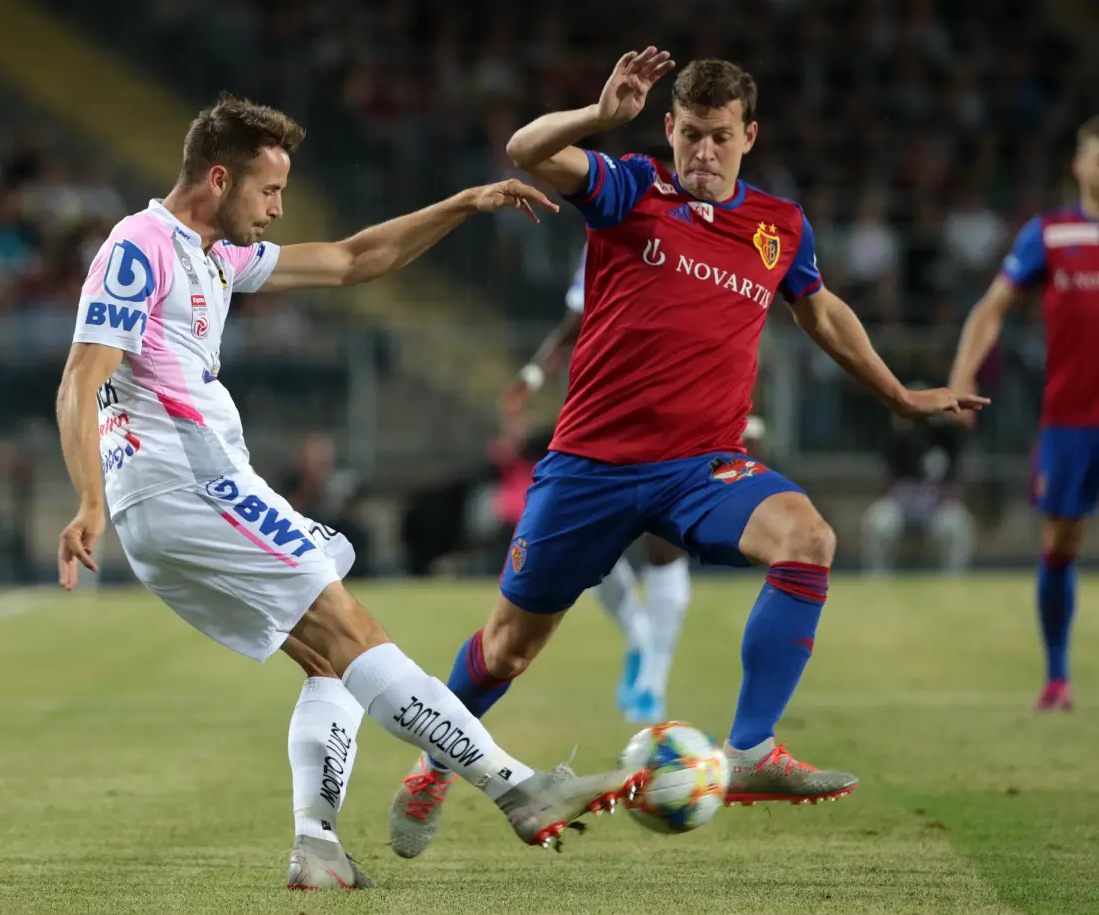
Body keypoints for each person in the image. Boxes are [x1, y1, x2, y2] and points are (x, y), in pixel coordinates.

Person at [389, 50, 985, 860]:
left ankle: (751, 749)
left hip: (701, 467)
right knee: (508, 648)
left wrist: (899, 395)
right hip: (591, 466)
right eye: (692, 134)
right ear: (669, 129)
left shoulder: (779, 226)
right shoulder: (631, 188)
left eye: (721, 137)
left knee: (808, 536)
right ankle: (434, 763)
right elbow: (526, 150)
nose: (704, 151)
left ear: (749, 137)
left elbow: (821, 311)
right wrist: (601, 116)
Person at [55, 93, 646, 891]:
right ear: (219, 178)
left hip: (180, 499)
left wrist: (462, 204)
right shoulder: (142, 244)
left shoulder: (216, 254)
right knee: (355, 629)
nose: (277, 208)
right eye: (269, 190)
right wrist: (87, 500)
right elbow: (80, 376)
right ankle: (519, 787)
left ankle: (317, 845)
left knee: (329, 660)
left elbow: (350, 259)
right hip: (187, 486)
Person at [503, 243, 692, 724]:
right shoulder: (606, 238)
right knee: (583, 546)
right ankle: (639, 635)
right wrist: (534, 373)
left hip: (676, 411)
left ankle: (653, 682)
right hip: (600, 415)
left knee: (665, 543)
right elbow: (574, 321)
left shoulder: (700, 239)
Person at [949, 115, 1099, 713]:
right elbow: (992, 308)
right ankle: (1057, 677)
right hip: (1070, 419)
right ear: (1079, 164)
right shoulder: (1052, 233)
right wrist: (963, 375)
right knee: (1061, 539)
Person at [860, 399, 975, 574]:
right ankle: (877, 578)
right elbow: (886, 484)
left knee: (958, 523)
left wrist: (945, 495)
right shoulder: (896, 442)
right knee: (877, 522)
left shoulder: (946, 440)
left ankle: (954, 580)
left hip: (935, 507)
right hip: (902, 507)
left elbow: (956, 486)